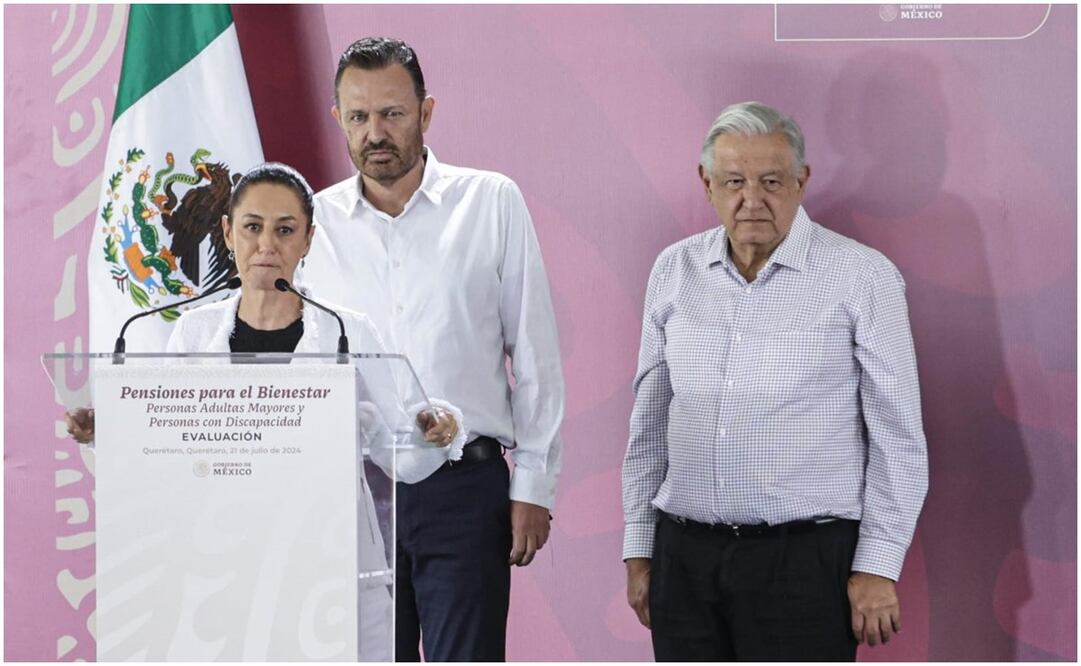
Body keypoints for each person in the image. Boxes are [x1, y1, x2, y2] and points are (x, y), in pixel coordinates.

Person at [622, 101, 929, 661]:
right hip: (684, 560)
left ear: (802, 181)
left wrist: (878, 566)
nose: (752, 199)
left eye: (771, 181)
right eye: (734, 181)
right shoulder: (673, 270)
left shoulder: (863, 277)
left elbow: (899, 439)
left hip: (805, 564)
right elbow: (649, 425)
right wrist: (640, 550)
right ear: (707, 184)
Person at [300, 38, 565, 662]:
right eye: (359, 117)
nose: (376, 133)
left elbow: (534, 355)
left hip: (462, 487)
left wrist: (534, 486)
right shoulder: (310, 223)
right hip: (351, 494)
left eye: (392, 113)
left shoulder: (491, 202)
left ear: (427, 111)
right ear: (338, 119)